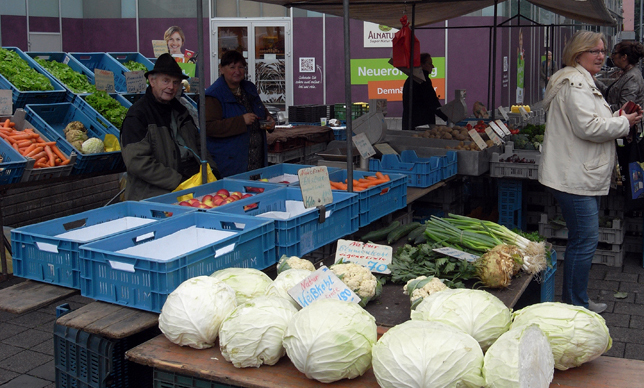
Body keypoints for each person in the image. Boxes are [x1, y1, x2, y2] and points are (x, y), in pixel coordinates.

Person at [538, 31, 642, 314]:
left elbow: (592, 121)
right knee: (584, 242)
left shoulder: (582, 81)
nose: (601, 56)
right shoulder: (575, 84)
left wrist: (620, 117)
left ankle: (576, 299)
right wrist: (624, 123)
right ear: (577, 54)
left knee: (582, 240)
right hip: (574, 177)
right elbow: (589, 128)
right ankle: (575, 304)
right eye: (594, 51)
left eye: (602, 51)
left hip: (579, 174)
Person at [120, 53, 220, 201]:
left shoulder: (181, 111)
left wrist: (212, 170)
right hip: (154, 196)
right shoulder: (138, 116)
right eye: (165, 81)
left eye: (175, 82)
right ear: (152, 81)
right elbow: (137, 162)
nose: (171, 87)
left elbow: (199, 146)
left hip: (189, 189)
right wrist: (179, 180)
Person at [204, 50, 274, 177]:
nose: (237, 71)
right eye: (232, 67)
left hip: (256, 162)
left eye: (241, 67)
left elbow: (262, 111)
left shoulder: (249, 88)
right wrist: (241, 121)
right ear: (221, 69)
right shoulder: (213, 95)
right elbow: (209, 127)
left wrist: (269, 120)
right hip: (230, 165)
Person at [402, 53, 449, 130]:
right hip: (421, 124)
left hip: (410, 123)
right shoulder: (422, 80)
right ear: (421, 64)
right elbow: (432, 102)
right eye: (429, 63)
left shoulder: (412, 79)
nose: (432, 66)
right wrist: (447, 117)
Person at [596, 41, 644, 112]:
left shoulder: (632, 77)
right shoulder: (626, 73)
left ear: (624, 57)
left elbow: (625, 107)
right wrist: (594, 80)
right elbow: (609, 93)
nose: (612, 56)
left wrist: (601, 107)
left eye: (615, 53)